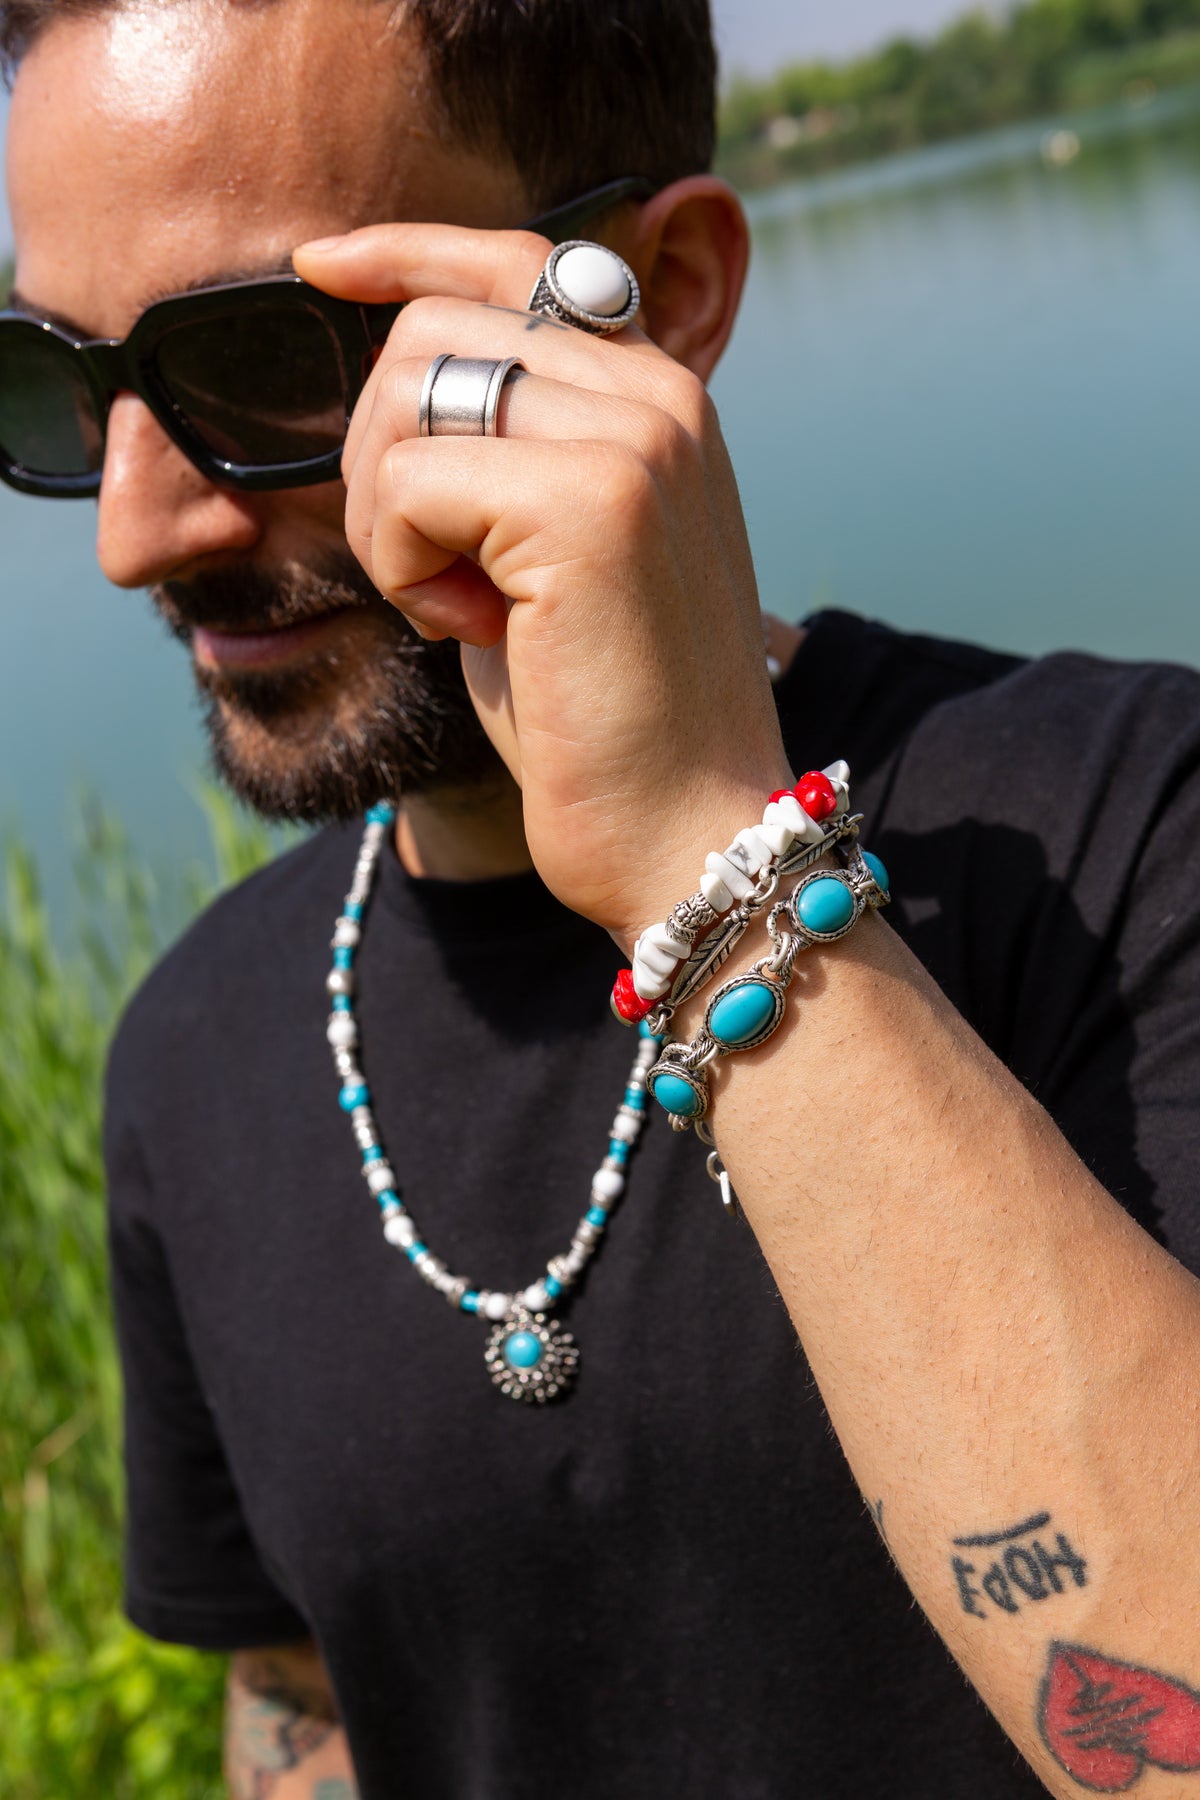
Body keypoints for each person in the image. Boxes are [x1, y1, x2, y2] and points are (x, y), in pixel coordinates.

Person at [4, 1, 1200, 1795]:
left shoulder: (1135, 835)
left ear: (669, 293)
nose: (132, 531)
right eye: (58, 384)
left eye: (258, 360)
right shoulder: (192, 1057)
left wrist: (696, 842)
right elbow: (305, 1696)